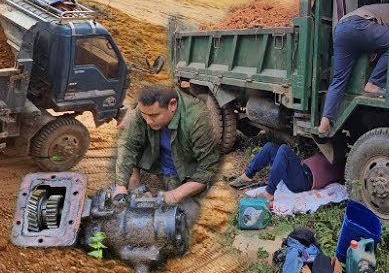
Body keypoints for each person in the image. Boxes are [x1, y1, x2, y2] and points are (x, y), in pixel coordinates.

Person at [114, 84, 221, 226]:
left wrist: (174, 195)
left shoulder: (197, 119)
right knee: (129, 139)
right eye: (144, 115)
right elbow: (128, 146)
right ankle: (137, 187)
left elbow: (208, 169)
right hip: (157, 158)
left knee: (186, 215)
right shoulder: (144, 112)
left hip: (183, 169)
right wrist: (121, 185)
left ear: (173, 105)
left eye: (154, 115)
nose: (148, 121)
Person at [319, 0, 389, 136]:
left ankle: (325, 122)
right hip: (358, 25)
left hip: (341, 29)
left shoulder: (377, 9)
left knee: (339, 79)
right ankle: (374, 84)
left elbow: (375, 38)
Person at [227, 142, 344, 206]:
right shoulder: (335, 155)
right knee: (270, 147)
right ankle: (247, 176)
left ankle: (269, 192)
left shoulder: (341, 167)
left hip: (304, 181)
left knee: (284, 149)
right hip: (301, 170)